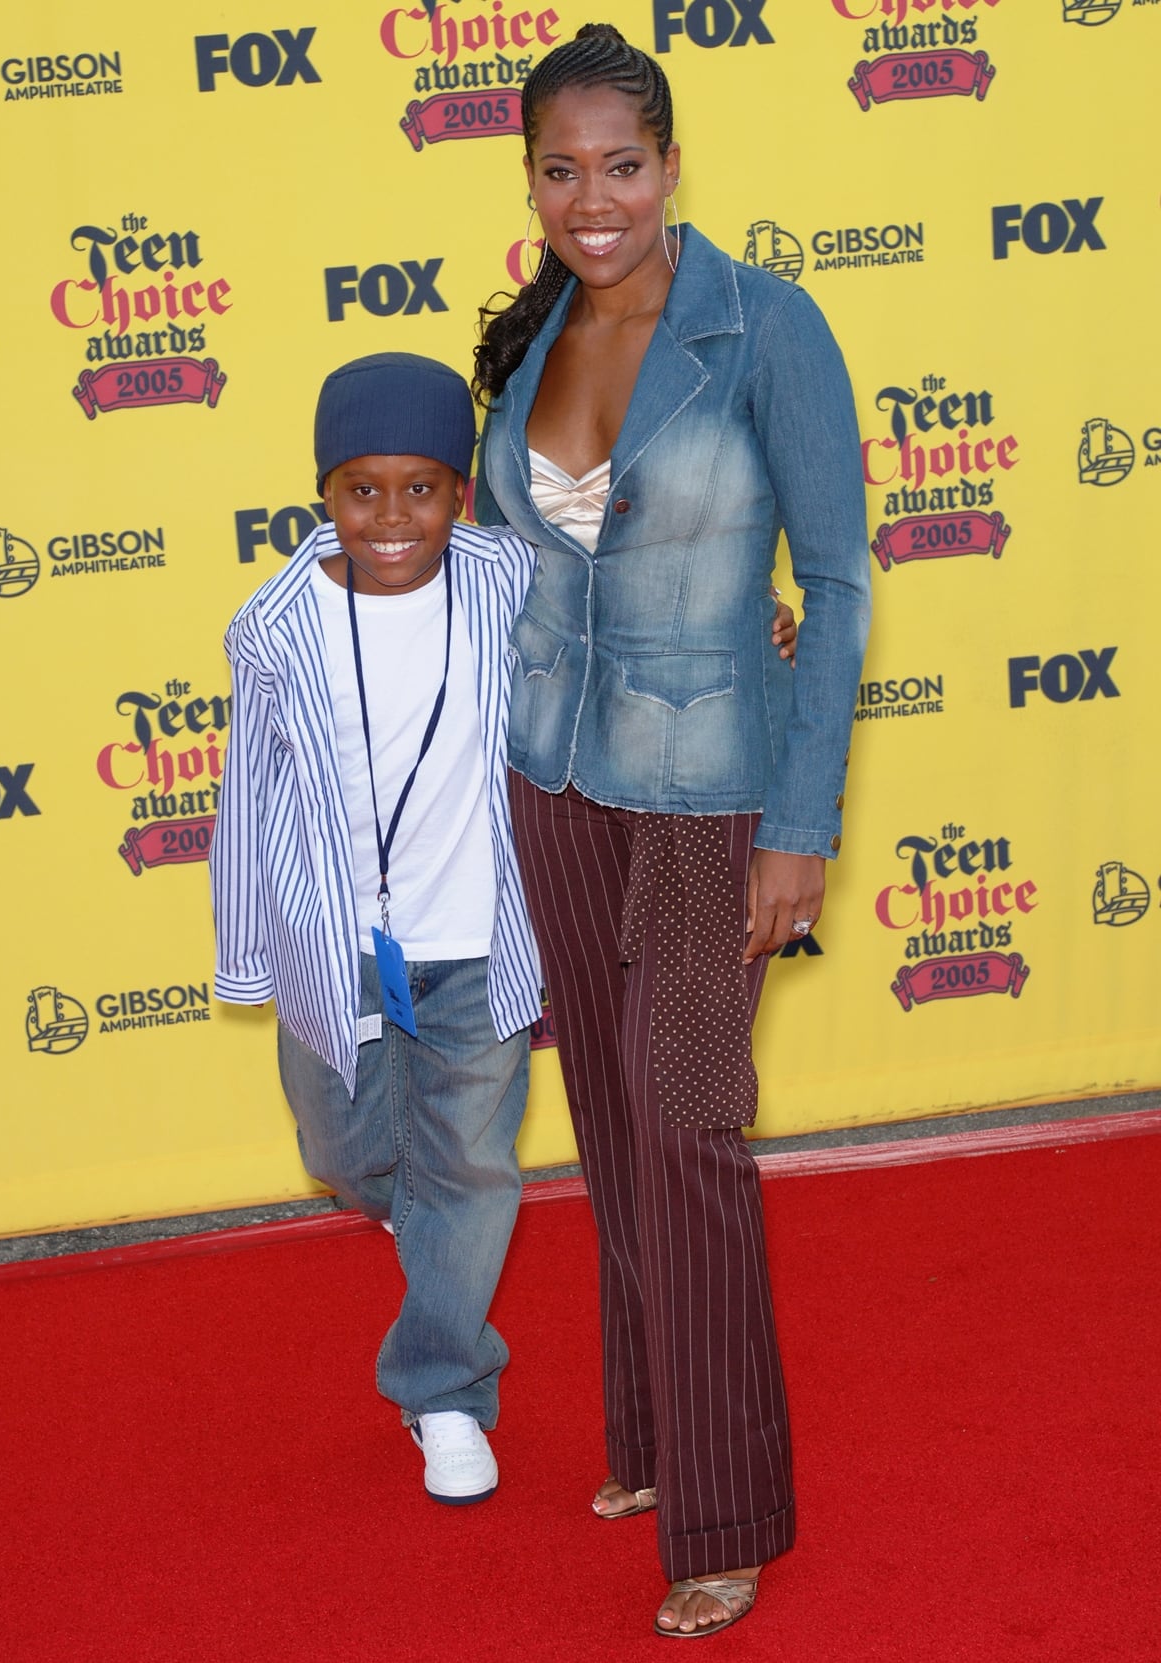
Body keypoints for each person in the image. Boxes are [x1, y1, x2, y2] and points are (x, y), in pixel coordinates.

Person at [472, 23, 871, 1639]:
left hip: (713, 798)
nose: (594, 198)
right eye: (561, 171)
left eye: (620, 165)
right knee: (612, 1118)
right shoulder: (537, 329)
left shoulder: (766, 326)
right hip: (553, 782)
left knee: (691, 1124)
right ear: (533, 181)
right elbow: (508, 562)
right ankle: (647, 1433)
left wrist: (802, 819)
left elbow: (835, 585)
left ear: (672, 161)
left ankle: (725, 1506)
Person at [209, 352, 543, 1507]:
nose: (392, 518)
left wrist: (760, 623)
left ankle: (444, 1386)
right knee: (344, 1150)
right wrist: (248, 953)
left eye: (421, 489)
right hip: (335, 946)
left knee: (472, 1164)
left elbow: (642, 619)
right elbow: (249, 797)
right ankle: (432, 1220)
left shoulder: (516, 580)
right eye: (363, 490)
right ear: (324, 495)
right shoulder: (276, 626)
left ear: (461, 490)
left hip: (482, 942)